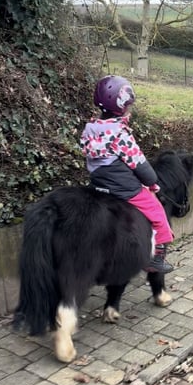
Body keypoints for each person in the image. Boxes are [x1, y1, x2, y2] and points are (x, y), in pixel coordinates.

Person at [80, 75, 175, 273]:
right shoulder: (120, 134)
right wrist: (153, 182)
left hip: (98, 186)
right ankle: (156, 259)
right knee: (158, 213)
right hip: (123, 190)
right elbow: (140, 166)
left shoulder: (90, 129)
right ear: (123, 105)